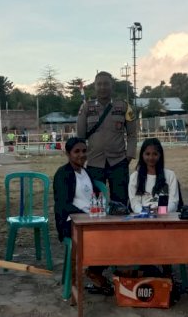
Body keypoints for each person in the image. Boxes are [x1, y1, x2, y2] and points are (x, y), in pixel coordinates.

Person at [52, 138, 112, 295]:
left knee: (115, 235)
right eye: (77, 151)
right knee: (100, 237)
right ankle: (92, 273)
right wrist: (85, 216)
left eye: (84, 151)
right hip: (71, 221)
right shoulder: (62, 174)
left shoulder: (86, 172)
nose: (81, 155)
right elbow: (63, 205)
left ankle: (94, 270)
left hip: (90, 220)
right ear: (68, 154)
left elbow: (96, 198)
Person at [77, 71, 137, 206]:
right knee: (96, 203)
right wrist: (82, 159)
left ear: (112, 86)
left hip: (119, 162)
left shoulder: (124, 107)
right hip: (94, 163)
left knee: (120, 202)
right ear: (95, 87)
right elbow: (80, 137)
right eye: (99, 84)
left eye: (106, 84)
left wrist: (128, 156)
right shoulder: (86, 108)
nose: (102, 87)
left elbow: (132, 135)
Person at [128, 138, 180, 214]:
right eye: (147, 154)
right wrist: (146, 212)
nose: (151, 158)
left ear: (160, 155)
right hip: (143, 219)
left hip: (165, 218)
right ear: (142, 155)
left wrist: (160, 211)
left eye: (155, 154)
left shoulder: (170, 176)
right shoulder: (134, 177)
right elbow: (135, 204)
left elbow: (173, 202)